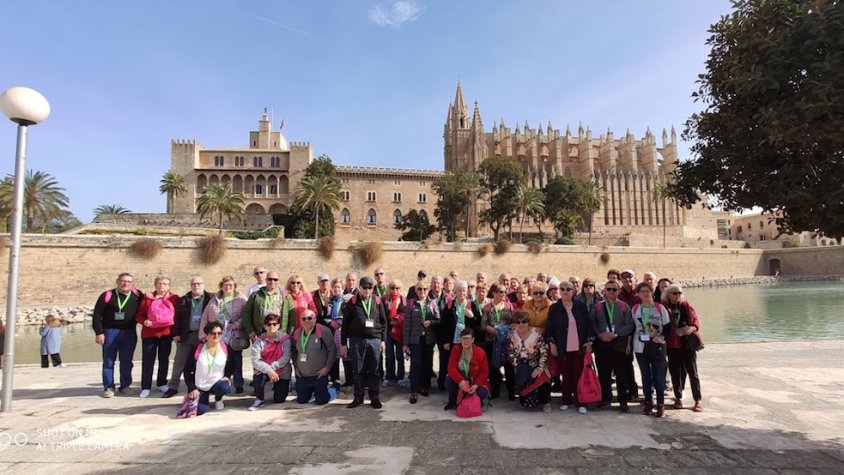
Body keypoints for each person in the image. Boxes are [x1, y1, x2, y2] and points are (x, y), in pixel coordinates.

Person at [545, 280, 593, 414]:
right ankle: (566, 400)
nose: (565, 291)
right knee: (566, 376)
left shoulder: (580, 306)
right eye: (562, 289)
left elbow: (588, 325)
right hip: (562, 347)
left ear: (573, 291)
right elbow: (550, 328)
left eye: (568, 289)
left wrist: (589, 341)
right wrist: (551, 343)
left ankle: (580, 402)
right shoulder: (554, 308)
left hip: (579, 347)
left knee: (579, 375)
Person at [93, 273, 143, 398]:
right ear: (117, 281)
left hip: (129, 332)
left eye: (129, 282)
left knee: (127, 361)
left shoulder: (137, 296)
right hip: (110, 332)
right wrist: (99, 332)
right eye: (123, 281)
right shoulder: (107, 295)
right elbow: (97, 315)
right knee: (108, 361)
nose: (126, 284)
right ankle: (109, 387)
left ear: (132, 284)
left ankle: (125, 386)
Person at [341, 276, 387, 409]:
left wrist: (383, 340)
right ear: (359, 288)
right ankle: (358, 397)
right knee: (358, 369)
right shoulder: (353, 302)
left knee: (374, 369)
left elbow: (384, 322)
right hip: (357, 340)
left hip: (374, 340)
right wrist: (344, 343)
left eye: (370, 288)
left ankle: (374, 397)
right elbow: (345, 324)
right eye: (365, 288)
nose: (367, 290)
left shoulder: (377, 301)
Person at [589, 280, 635, 412]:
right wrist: (599, 335)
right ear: (604, 290)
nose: (611, 292)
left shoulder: (624, 306)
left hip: (618, 342)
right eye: (608, 289)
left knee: (621, 372)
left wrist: (615, 334)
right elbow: (592, 323)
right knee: (604, 373)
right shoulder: (598, 306)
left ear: (618, 291)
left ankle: (623, 400)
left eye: (614, 289)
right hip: (602, 343)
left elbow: (629, 325)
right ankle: (606, 398)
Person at [165, 275, 213, 398]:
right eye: (193, 284)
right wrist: (175, 333)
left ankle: (204, 385)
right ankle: (173, 386)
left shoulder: (211, 299)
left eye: (198, 284)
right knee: (179, 362)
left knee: (203, 362)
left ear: (204, 285)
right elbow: (176, 318)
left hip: (203, 336)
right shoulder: (183, 300)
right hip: (186, 335)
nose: (196, 286)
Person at [200, 275, 248, 393]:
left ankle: (238, 384)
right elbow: (205, 317)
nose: (228, 287)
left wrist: (237, 324)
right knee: (220, 360)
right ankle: (221, 383)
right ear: (221, 287)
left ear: (234, 286)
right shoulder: (214, 299)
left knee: (236, 359)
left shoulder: (241, 298)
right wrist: (202, 334)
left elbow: (246, 315)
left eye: (230, 285)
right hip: (218, 335)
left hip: (234, 333)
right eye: (225, 285)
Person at [135, 276, 180, 398]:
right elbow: (139, 315)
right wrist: (144, 322)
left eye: (165, 284)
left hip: (166, 334)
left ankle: (161, 383)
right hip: (150, 334)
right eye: (159, 283)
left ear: (169, 286)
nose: (162, 286)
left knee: (164, 359)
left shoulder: (174, 298)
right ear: (155, 285)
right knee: (148, 361)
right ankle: (146, 387)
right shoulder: (148, 298)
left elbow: (179, 315)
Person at [632, 282, 670, 417]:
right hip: (640, 347)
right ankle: (648, 401)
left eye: (647, 291)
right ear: (638, 294)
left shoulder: (660, 308)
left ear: (651, 292)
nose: (644, 293)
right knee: (646, 376)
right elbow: (633, 328)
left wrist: (660, 338)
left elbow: (667, 328)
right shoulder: (636, 309)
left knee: (659, 376)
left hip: (657, 347)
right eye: (641, 291)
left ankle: (660, 403)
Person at [664, 284, 704, 412]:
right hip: (673, 344)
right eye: (674, 293)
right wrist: (674, 331)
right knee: (675, 372)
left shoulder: (686, 305)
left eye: (680, 293)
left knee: (692, 372)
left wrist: (690, 329)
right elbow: (662, 325)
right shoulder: (664, 307)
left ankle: (697, 400)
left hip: (687, 344)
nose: (678, 295)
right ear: (668, 294)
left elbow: (696, 322)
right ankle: (678, 397)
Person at [439, 281, 483, 391]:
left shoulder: (472, 304)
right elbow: (443, 325)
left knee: (465, 362)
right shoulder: (450, 305)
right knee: (448, 362)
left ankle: (466, 383)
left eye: (464, 290)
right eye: (460, 290)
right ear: (455, 292)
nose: (462, 292)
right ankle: (443, 384)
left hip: (467, 340)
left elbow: (479, 325)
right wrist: (445, 341)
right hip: (453, 339)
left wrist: (472, 317)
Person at [403, 280, 440, 404]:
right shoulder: (410, 304)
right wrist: (405, 343)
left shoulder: (433, 303)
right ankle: (414, 390)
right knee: (415, 365)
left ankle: (423, 387)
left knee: (426, 364)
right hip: (415, 339)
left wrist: (431, 322)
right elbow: (407, 325)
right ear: (415, 290)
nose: (422, 291)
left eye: (424, 289)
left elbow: (438, 320)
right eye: (419, 289)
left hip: (428, 339)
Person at [184, 320, 231, 414]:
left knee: (224, 387)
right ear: (207, 335)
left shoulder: (225, 348)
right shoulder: (197, 349)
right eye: (213, 333)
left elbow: (231, 364)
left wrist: (227, 376)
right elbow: (187, 370)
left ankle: (218, 398)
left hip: (216, 383)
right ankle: (201, 397)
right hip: (201, 385)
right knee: (201, 410)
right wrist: (191, 388)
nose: (216, 336)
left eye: (219, 333)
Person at [292, 309, 337, 405]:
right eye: (303, 319)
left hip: (319, 375)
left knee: (321, 401)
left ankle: (334, 389)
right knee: (302, 401)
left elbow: (332, 350)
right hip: (303, 375)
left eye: (309, 318)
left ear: (315, 319)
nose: (306, 321)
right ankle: (313, 392)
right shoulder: (296, 333)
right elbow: (294, 352)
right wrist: (295, 367)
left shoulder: (323, 331)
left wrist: (327, 368)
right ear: (300, 320)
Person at [508, 311, 551, 412]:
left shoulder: (537, 335)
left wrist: (540, 368)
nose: (521, 324)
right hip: (520, 365)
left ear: (528, 323)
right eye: (518, 322)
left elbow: (544, 353)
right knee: (523, 383)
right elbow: (510, 353)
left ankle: (546, 403)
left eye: (524, 322)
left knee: (542, 379)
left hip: (536, 364)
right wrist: (516, 365)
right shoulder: (511, 336)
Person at [249, 313, 292, 410]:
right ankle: (259, 399)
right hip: (265, 371)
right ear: (264, 326)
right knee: (258, 376)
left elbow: (286, 357)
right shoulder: (259, 340)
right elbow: (255, 360)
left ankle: (284, 386)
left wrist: (272, 368)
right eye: (268, 324)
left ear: (279, 325)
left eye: (274, 324)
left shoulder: (285, 339)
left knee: (279, 400)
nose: (271, 326)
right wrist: (268, 370)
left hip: (282, 371)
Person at [481, 283, 514, 400]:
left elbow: (513, 324)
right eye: (500, 292)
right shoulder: (487, 308)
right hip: (492, 342)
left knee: (509, 367)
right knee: (493, 368)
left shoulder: (509, 307)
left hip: (506, 342)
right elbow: (483, 325)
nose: (503, 294)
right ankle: (495, 391)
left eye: (504, 292)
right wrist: (496, 331)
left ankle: (511, 392)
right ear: (494, 293)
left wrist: (504, 332)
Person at [444, 328, 490, 411]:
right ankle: (453, 401)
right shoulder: (456, 349)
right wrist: (460, 381)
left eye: (468, 338)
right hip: (461, 379)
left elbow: (484, 372)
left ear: (472, 340)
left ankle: (475, 400)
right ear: (460, 339)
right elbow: (451, 368)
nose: (465, 341)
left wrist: (476, 385)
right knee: (449, 379)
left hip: (474, 381)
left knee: (482, 392)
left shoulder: (480, 352)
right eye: (463, 338)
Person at [243, 271, 296, 338]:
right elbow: (246, 313)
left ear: (278, 281)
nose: (272, 281)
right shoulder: (256, 295)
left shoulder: (286, 295)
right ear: (266, 280)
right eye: (270, 279)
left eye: (275, 279)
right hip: (261, 332)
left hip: (280, 332)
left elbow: (292, 317)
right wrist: (250, 331)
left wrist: (289, 333)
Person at [617, 269, 641, 402]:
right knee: (626, 363)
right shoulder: (618, 295)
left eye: (630, 278)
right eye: (624, 278)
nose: (627, 281)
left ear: (634, 279)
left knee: (645, 363)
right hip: (626, 335)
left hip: (641, 333)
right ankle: (631, 389)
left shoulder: (640, 294)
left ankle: (651, 391)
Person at [382, 279, 407, 387]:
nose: (395, 290)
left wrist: (398, 321)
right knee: (389, 355)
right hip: (388, 331)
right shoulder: (385, 300)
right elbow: (382, 315)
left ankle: (401, 376)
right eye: (392, 288)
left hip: (400, 332)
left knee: (400, 355)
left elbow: (406, 315)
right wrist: (390, 322)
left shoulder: (404, 300)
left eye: (397, 288)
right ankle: (389, 376)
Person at [324, 278, 347, 387]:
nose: (336, 289)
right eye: (334, 287)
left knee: (346, 355)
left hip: (344, 331)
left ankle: (349, 378)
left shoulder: (347, 301)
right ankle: (335, 378)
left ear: (343, 289)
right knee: (334, 354)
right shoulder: (330, 302)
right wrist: (331, 322)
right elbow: (325, 316)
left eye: (339, 287)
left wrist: (343, 323)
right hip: (333, 331)